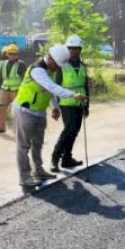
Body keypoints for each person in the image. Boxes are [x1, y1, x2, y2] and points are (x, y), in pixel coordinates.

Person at [12, 45, 87, 187]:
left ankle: (38, 170)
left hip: (39, 112)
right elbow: (53, 87)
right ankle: (24, 177)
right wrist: (73, 94)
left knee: (38, 144)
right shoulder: (37, 70)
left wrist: (55, 107)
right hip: (25, 111)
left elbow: (50, 90)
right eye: (57, 65)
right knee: (23, 146)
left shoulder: (50, 69)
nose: (58, 68)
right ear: (50, 59)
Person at [50, 35, 90, 172]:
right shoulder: (62, 66)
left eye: (75, 48)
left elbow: (86, 86)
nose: (73, 51)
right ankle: (55, 158)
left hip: (79, 104)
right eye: (70, 48)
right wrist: (55, 107)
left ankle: (67, 159)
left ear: (80, 50)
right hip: (66, 103)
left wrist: (87, 105)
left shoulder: (83, 66)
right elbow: (55, 87)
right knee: (69, 129)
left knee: (74, 131)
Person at [0, 44, 25, 135]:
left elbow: (25, 79)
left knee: (18, 111)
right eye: (10, 53)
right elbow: (1, 78)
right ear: (7, 54)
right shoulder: (3, 64)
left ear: (17, 55)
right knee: (0, 108)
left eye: (14, 54)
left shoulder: (21, 65)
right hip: (4, 90)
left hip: (16, 91)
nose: (12, 55)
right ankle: (0, 128)